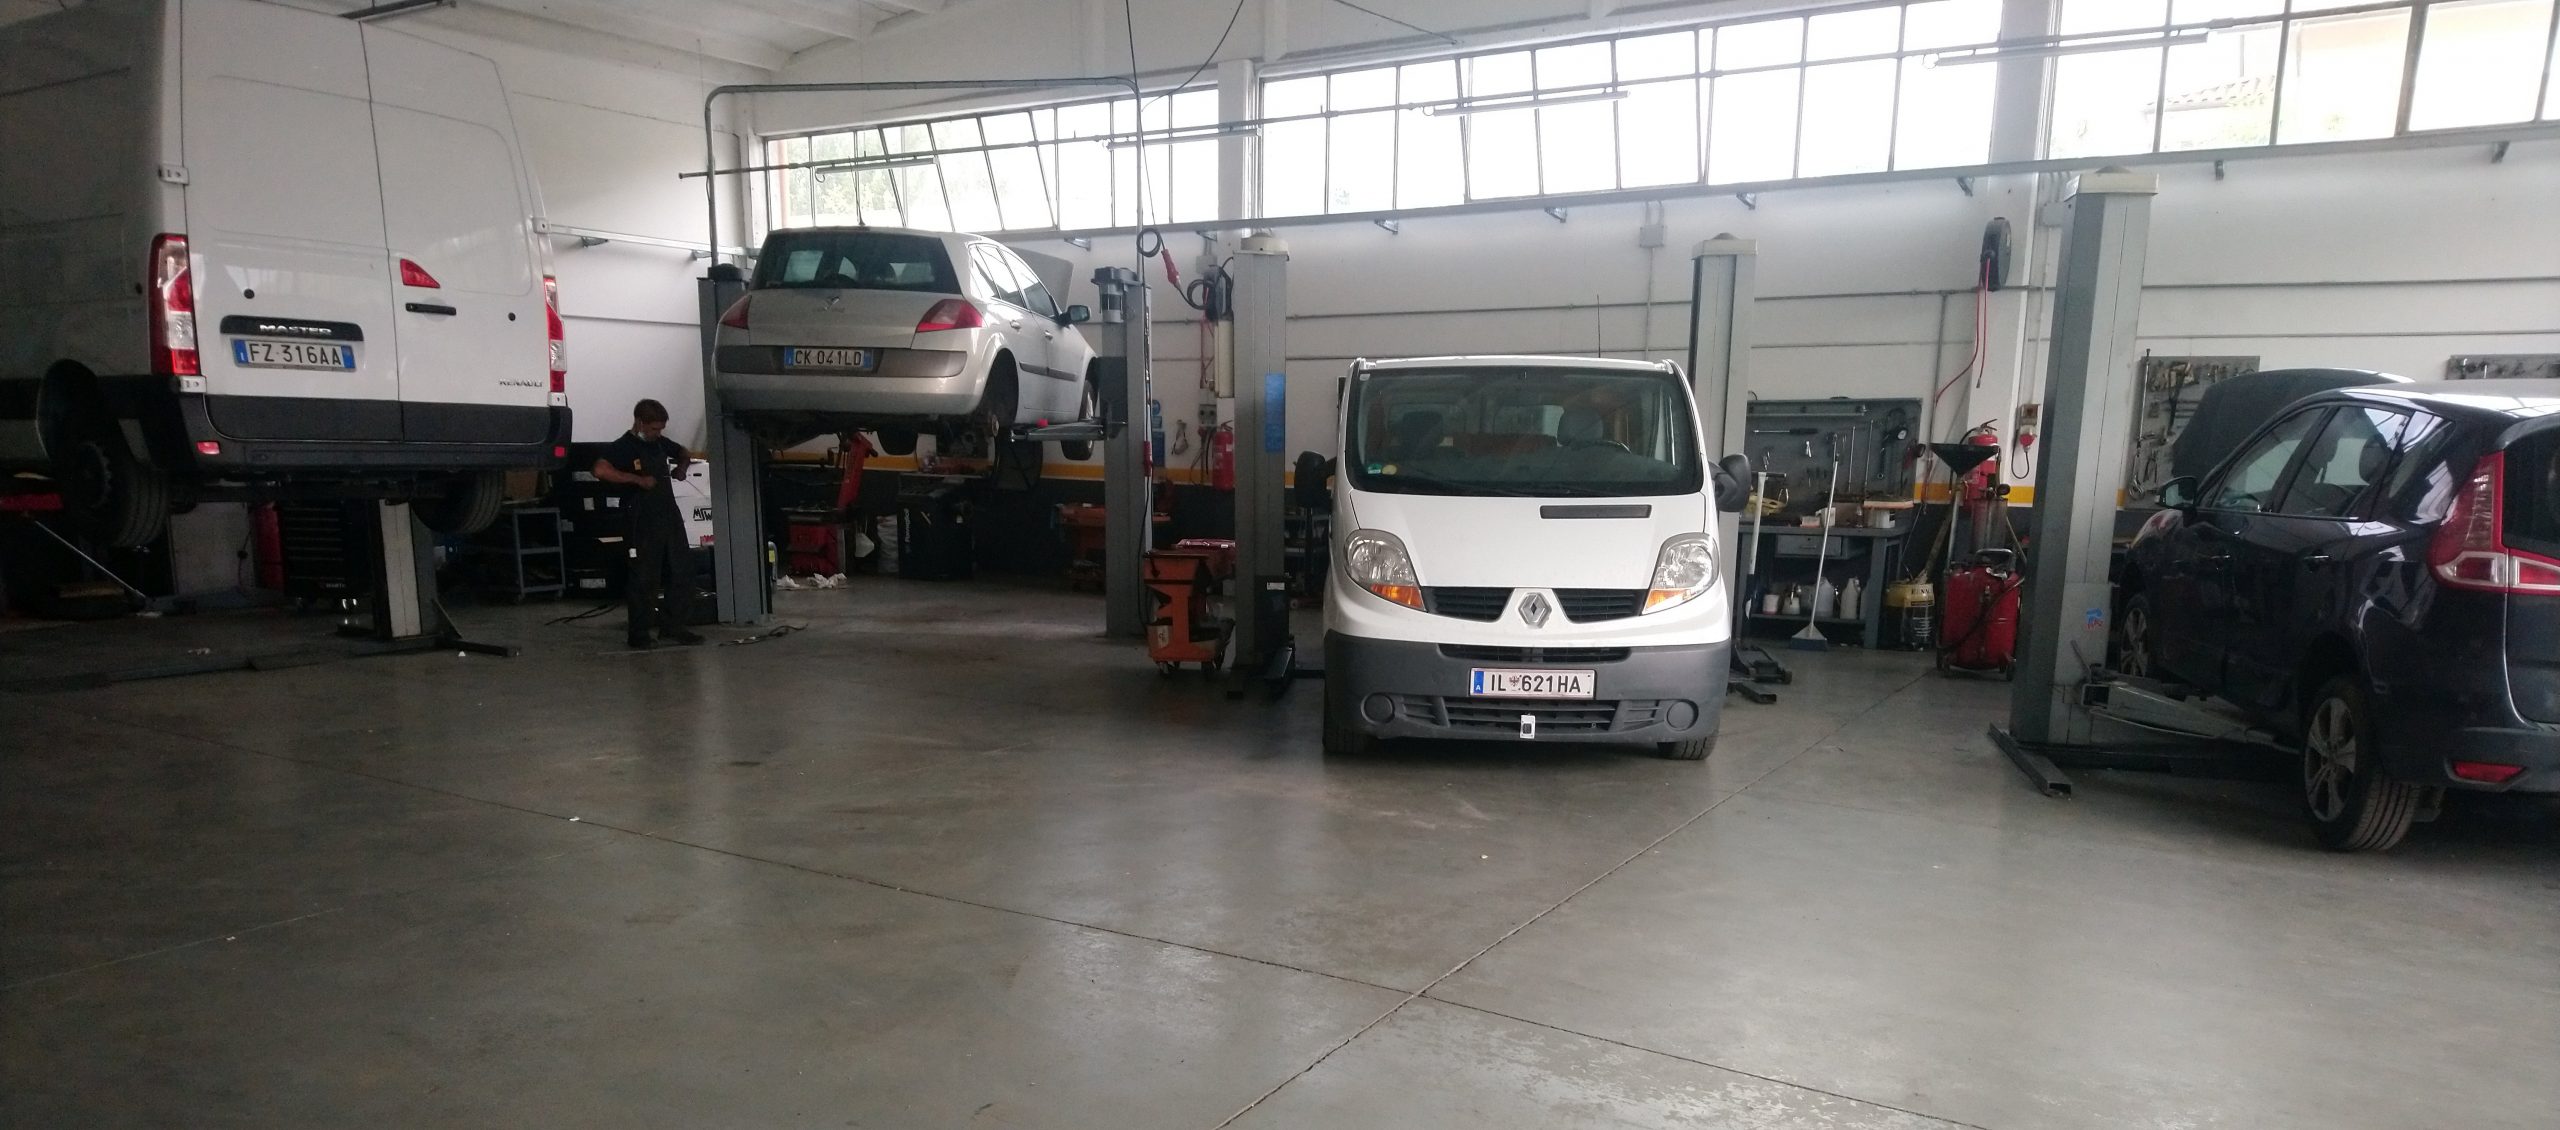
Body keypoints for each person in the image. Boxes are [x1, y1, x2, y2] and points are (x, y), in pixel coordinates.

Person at [594, 399, 704, 649]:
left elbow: (684, 452)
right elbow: (600, 470)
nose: (658, 434)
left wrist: (682, 468)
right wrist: (637, 480)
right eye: (654, 429)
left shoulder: (660, 443)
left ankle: (674, 626)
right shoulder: (622, 447)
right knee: (644, 577)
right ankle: (639, 634)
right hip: (641, 519)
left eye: (661, 429)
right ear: (640, 423)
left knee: (682, 571)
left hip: (668, 515)